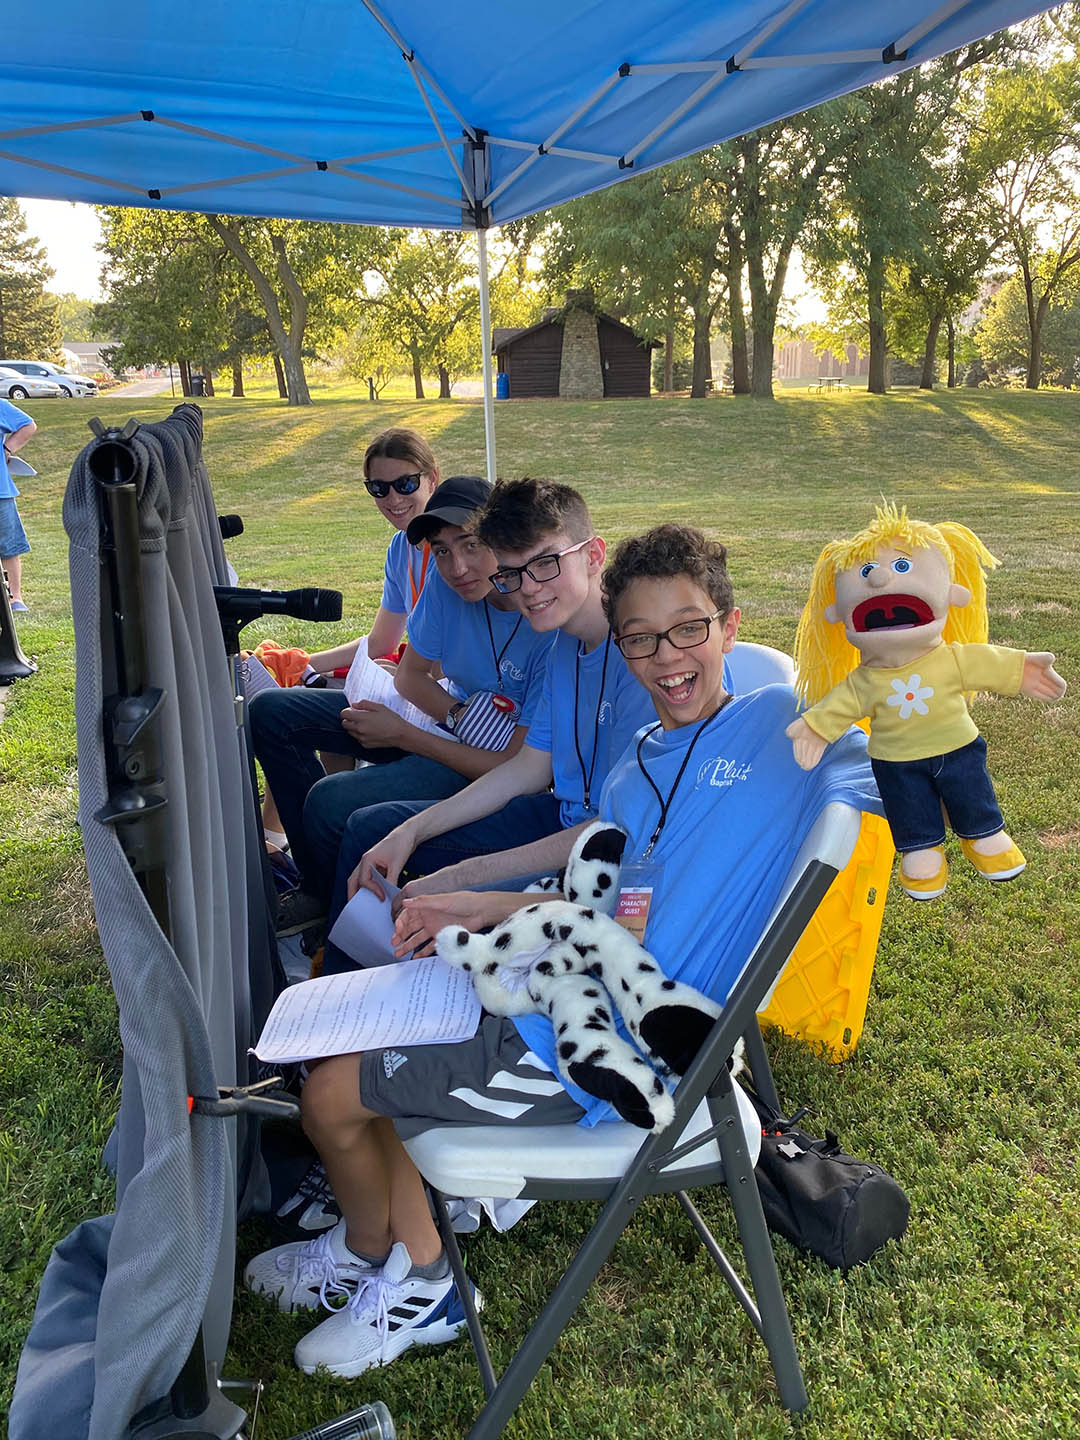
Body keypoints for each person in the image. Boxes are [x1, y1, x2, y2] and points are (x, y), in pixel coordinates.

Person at [242, 523, 879, 1379]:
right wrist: (469, 903)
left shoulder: (786, 730)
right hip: (545, 986)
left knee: (330, 1096)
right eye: (642, 639)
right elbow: (592, 904)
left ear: (729, 626)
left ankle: (411, 1271)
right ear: (621, 648)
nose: (668, 657)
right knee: (348, 1036)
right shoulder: (635, 767)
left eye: (689, 628)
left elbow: (907, 769)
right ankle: (384, 1252)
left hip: (600, 1059)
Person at [323, 479, 659, 952]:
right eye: (513, 573)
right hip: (559, 817)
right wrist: (411, 831)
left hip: (609, 860)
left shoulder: (645, 656)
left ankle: (364, 995)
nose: (528, 590)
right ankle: (349, 986)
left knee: (416, 875)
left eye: (545, 563)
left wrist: (459, 878)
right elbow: (526, 768)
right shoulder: (563, 640)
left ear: (593, 555)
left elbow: (618, 828)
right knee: (380, 836)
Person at [291, 477, 554, 935]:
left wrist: (405, 735)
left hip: (485, 767)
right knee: (277, 712)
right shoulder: (446, 586)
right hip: (447, 730)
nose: (457, 567)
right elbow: (412, 675)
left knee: (334, 804)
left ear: (505, 538)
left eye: (471, 544)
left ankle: (347, 939)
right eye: (442, 551)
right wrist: (457, 714)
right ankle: (317, 893)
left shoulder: (548, 620)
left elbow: (519, 768)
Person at [252, 426, 440, 857]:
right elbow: (381, 640)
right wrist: (302, 663)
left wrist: (411, 674)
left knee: (324, 738)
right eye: (378, 487)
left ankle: (297, 848)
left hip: (437, 710)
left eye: (405, 484)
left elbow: (469, 660)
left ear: (432, 477)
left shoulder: (457, 550)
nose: (392, 498)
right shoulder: (401, 548)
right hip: (412, 690)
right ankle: (282, 844)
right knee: (284, 701)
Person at [0, 399, 36, 612]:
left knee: (9, 546)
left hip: (0, 492)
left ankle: (15, 598)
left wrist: (7, 448)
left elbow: (28, 425)